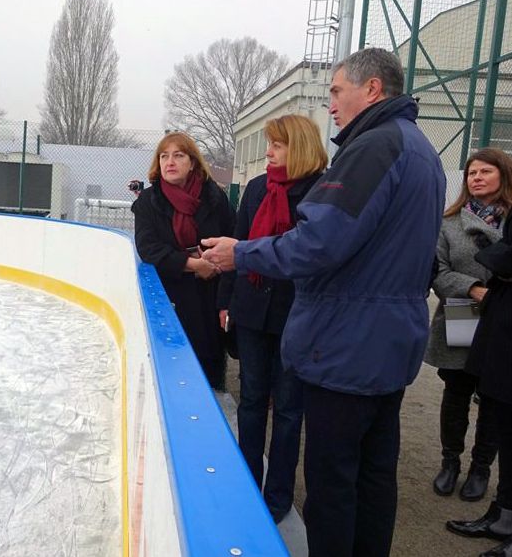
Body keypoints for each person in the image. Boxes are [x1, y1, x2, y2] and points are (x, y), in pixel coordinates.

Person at [201, 48, 445, 557]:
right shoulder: (422, 150)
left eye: (336, 91)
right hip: (389, 342)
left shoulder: (374, 148)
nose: (330, 104)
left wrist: (240, 253)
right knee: (374, 478)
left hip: (347, 344)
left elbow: (318, 242)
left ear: (372, 89)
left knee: (333, 484)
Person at [217, 114, 326, 524]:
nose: (268, 152)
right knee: (250, 400)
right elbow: (237, 248)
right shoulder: (258, 188)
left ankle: (277, 496)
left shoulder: (321, 193)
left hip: (296, 317)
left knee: (288, 409)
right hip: (250, 313)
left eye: (276, 145)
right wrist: (225, 302)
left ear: (297, 146)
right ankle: (247, 481)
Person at [427, 148, 511, 501]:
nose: (476, 178)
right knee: (457, 392)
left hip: (503, 320)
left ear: (502, 176)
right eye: (471, 173)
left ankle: (480, 469)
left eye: (485, 172)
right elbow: (437, 271)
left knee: (492, 396)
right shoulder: (448, 222)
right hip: (462, 311)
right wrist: (474, 290)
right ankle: (450, 463)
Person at [131, 132, 234, 391]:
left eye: (178, 155)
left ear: (193, 162)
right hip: (170, 293)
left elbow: (232, 237)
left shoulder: (214, 197)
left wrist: (213, 264)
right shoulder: (148, 201)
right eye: (164, 156)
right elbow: (148, 247)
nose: (170, 162)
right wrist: (192, 265)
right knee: (171, 369)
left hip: (210, 292)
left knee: (207, 365)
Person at [446, 208, 512, 556]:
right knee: (497, 411)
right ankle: (503, 514)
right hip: (492, 322)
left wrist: (494, 255)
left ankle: (500, 507)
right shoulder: (452, 220)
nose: (477, 177)